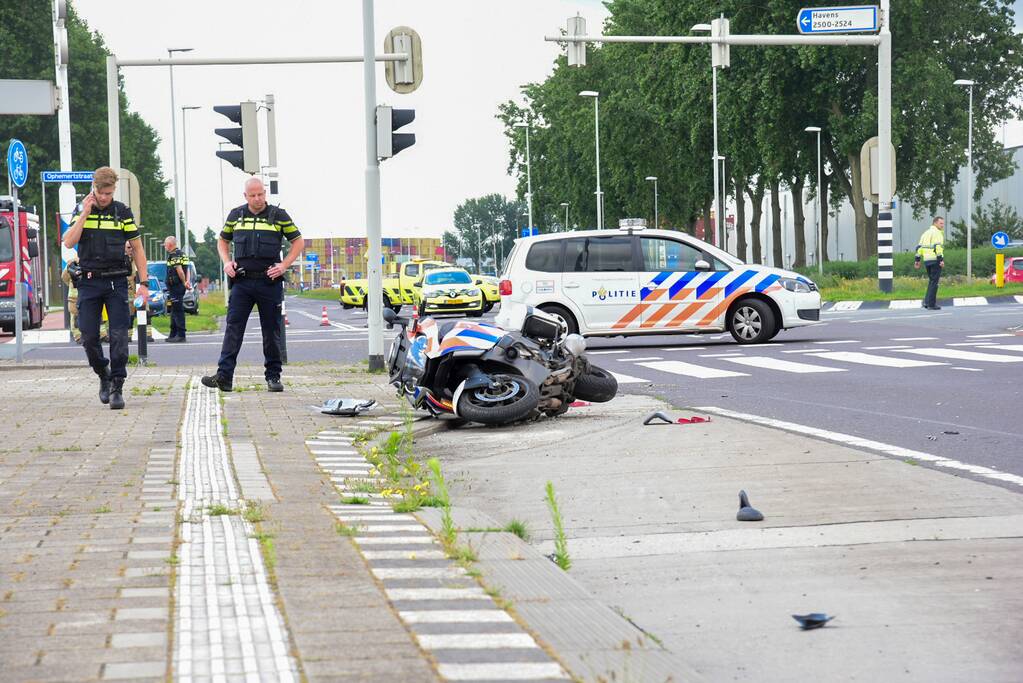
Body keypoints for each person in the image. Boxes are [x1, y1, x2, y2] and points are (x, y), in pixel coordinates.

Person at [202, 177, 303, 392]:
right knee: (233, 329)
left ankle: (273, 377)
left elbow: (298, 241)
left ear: (265, 193)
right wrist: (227, 262)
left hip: (269, 282)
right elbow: (222, 240)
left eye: (261, 194)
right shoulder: (236, 215)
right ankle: (224, 377)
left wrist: (284, 265)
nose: (257, 199)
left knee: (271, 331)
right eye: (253, 195)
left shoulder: (279, 216)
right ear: (245, 196)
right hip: (242, 282)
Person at [62, 167, 149, 409]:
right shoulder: (82, 209)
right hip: (89, 283)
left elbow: (138, 248)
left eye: (109, 193)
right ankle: (103, 373)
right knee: (89, 337)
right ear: (94, 187)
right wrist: (84, 214)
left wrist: (144, 283)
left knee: (119, 337)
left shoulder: (122, 212)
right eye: (101, 192)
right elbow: (69, 242)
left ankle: (117, 386)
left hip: (117, 282)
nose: (104, 197)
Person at [164, 236, 192, 343]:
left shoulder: (174, 255)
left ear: (170, 245)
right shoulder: (182, 254)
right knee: (174, 310)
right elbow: (187, 269)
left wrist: (184, 282)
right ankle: (173, 334)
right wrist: (187, 281)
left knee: (177, 310)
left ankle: (181, 335)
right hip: (177, 286)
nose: (164, 246)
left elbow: (180, 270)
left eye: (165, 244)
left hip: (176, 286)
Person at [915, 216, 945, 310]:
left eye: (943, 223)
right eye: (941, 223)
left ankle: (927, 302)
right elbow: (938, 247)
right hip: (935, 260)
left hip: (927, 261)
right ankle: (931, 304)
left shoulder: (925, 233)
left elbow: (919, 248)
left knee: (931, 282)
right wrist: (941, 260)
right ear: (935, 223)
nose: (942, 225)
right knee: (934, 282)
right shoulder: (937, 233)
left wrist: (917, 260)